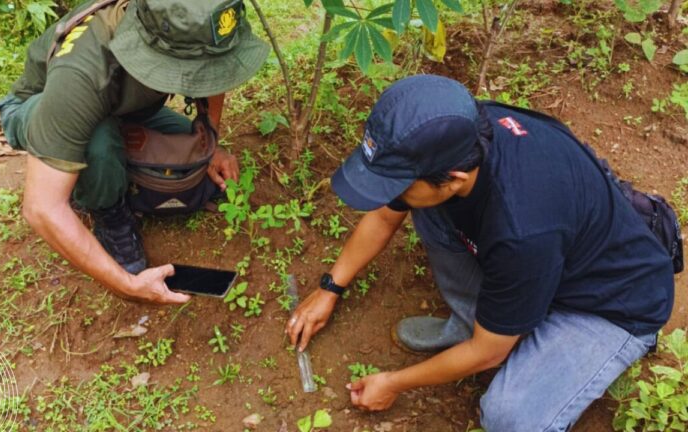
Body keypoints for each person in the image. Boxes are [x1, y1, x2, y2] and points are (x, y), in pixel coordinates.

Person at [286, 75, 675, 431]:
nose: (390, 196)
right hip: (545, 258)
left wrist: (392, 382)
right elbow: (387, 215)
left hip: (610, 305)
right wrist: (329, 289)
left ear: (453, 179)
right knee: (424, 209)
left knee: (510, 416)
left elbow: (489, 354)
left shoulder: (522, 228)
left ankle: (514, 330)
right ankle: (475, 323)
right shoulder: (459, 130)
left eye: (398, 184)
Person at [0, 0, 269, 304]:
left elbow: (217, 70)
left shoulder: (197, 21)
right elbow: (42, 208)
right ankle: (110, 214)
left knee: (187, 159)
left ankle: (114, 167)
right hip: (46, 107)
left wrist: (209, 140)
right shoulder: (84, 72)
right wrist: (126, 285)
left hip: (125, 108)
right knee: (98, 142)